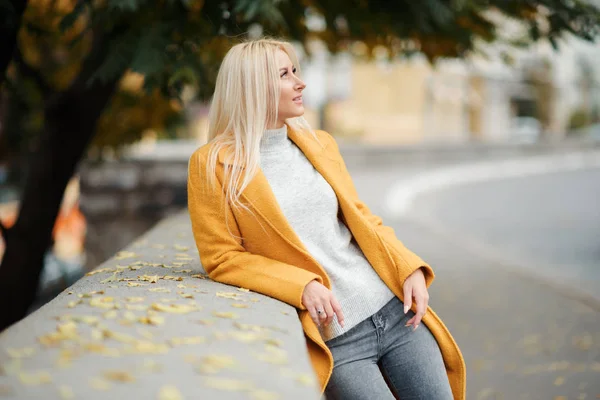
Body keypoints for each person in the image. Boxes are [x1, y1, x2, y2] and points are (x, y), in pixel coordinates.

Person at [187, 38, 465, 399]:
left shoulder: (319, 143)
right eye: (285, 75)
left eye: (296, 71)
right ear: (253, 87)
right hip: (338, 340)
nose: (300, 83)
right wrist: (301, 285)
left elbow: (361, 218)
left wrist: (407, 267)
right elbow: (222, 258)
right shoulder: (212, 164)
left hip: (396, 313)